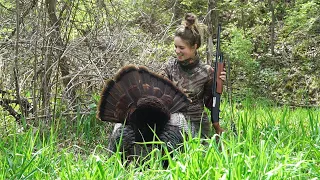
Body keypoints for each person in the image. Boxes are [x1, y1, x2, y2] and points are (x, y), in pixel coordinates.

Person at [159, 13, 226, 138]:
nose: (177, 51)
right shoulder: (169, 67)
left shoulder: (207, 72)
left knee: (176, 126)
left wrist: (219, 85)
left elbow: (211, 103)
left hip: (195, 124)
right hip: (169, 121)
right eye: (175, 47)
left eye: (181, 47)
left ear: (194, 47)